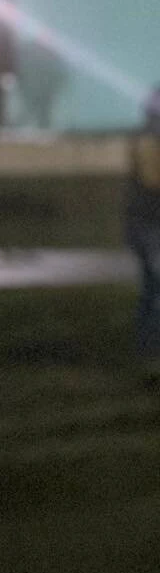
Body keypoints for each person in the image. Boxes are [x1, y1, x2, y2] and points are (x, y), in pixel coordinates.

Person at [126, 87, 160, 374]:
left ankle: (147, 346)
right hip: (149, 225)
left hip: (145, 225)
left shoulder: (146, 138)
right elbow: (153, 180)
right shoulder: (149, 141)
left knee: (152, 288)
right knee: (154, 288)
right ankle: (149, 348)